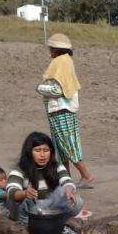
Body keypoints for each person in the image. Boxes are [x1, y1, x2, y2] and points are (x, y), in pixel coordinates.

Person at [37, 33, 94, 188]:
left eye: (51, 48)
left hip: (61, 109)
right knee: (62, 146)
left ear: (56, 49)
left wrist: (40, 88)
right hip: (64, 109)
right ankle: (66, 178)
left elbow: (58, 89)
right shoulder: (67, 60)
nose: (50, 50)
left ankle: (85, 175)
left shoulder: (60, 62)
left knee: (67, 145)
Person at [5, 131, 84, 227]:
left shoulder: (57, 167)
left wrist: (68, 190)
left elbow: (67, 181)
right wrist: (24, 193)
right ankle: (24, 224)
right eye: (37, 150)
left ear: (51, 152)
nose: (42, 155)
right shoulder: (20, 170)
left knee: (78, 202)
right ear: (29, 152)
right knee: (12, 200)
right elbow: (11, 190)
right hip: (28, 209)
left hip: (49, 207)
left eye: (46, 150)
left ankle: (57, 222)